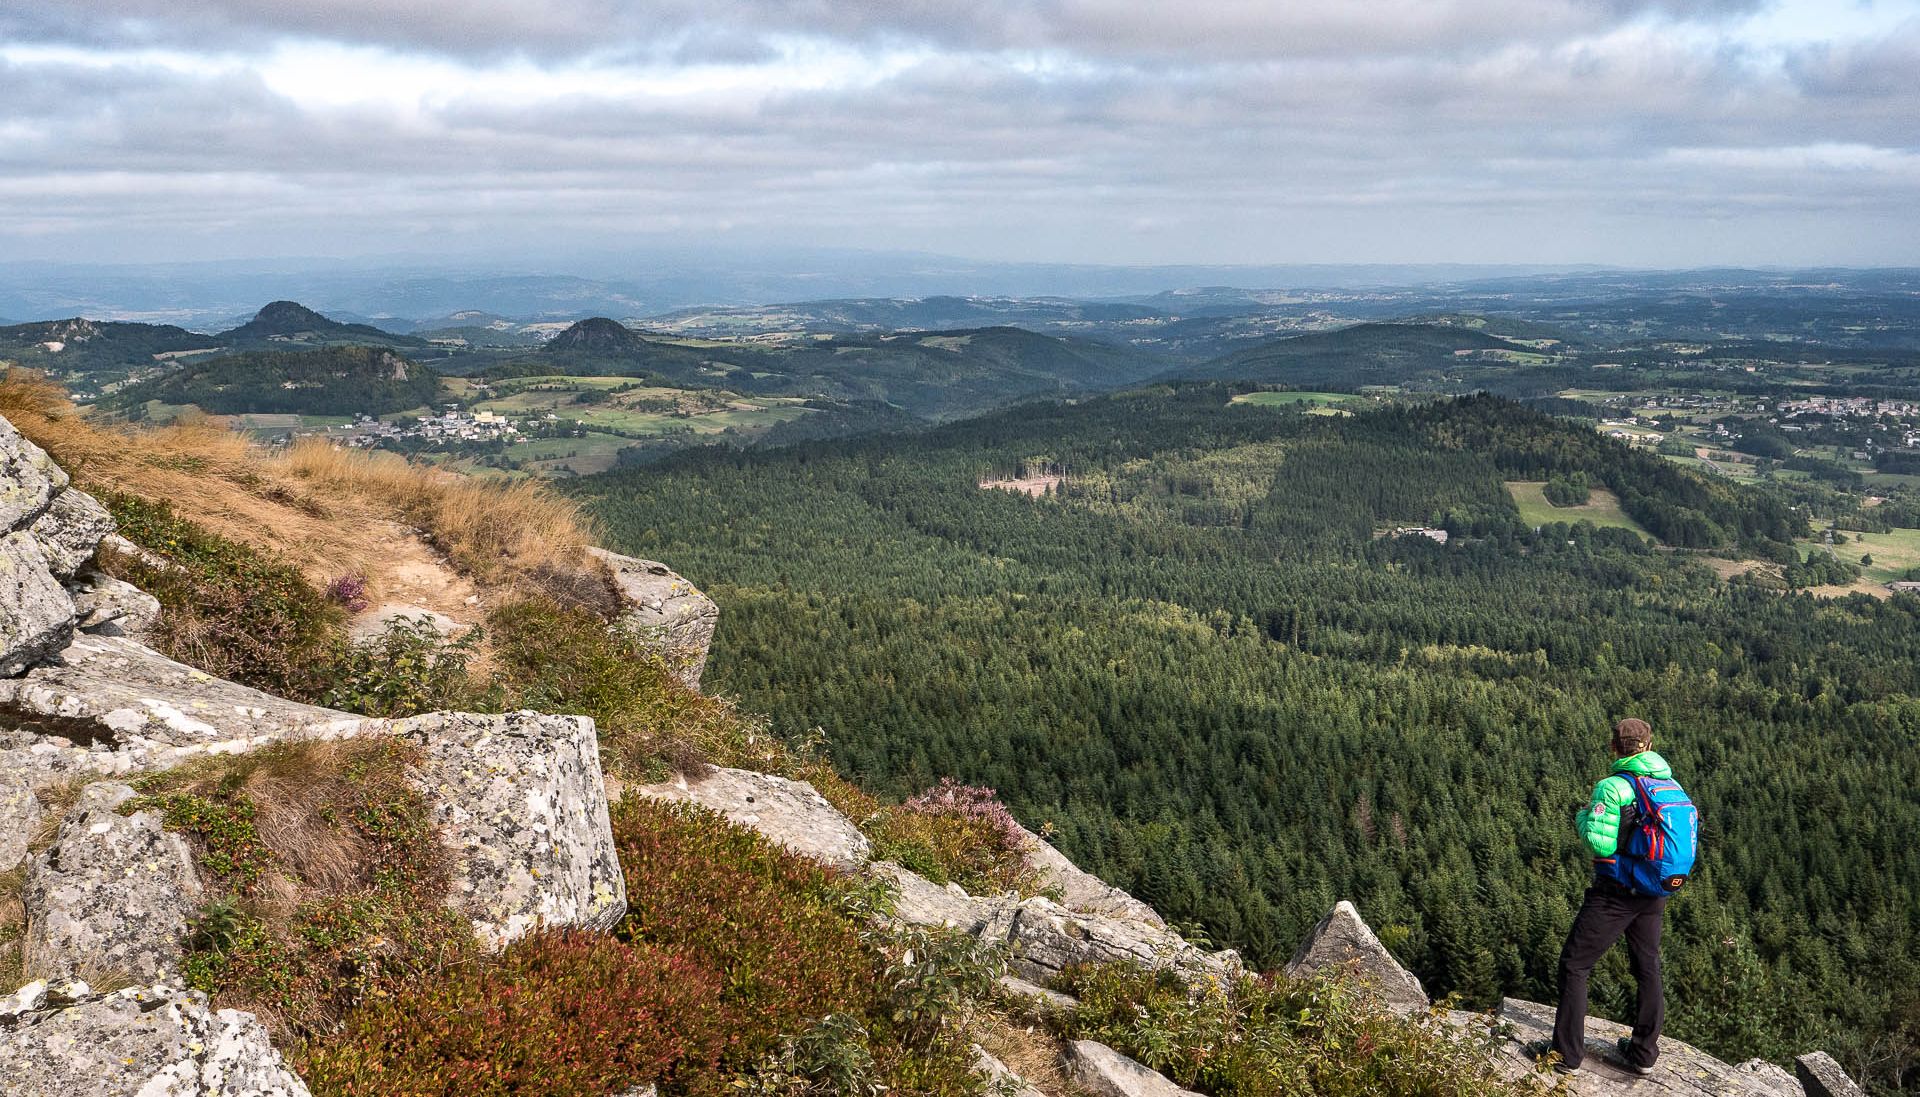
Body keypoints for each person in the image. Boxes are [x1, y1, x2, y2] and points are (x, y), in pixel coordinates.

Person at [1546, 717, 1674, 1077]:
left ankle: (1566, 1056)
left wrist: (1583, 817)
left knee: (1575, 964)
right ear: (1648, 745)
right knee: (1647, 966)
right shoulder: (1668, 784)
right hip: (1654, 889)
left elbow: (1599, 843)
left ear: (1614, 747)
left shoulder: (1613, 786)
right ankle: (1644, 1053)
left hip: (1616, 892)